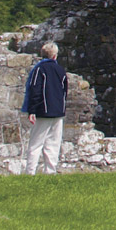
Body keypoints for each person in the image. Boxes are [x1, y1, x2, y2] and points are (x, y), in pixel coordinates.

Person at [21, 41, 68, 175]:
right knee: (53, 144)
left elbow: (35, 90)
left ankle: (30, 172)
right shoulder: (60, 70)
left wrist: (32, 110)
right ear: (55, 56)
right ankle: (50, 171)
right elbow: (64, 91)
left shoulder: (39, 69)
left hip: (43, 111)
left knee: (36, 144)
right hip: (58, 112)